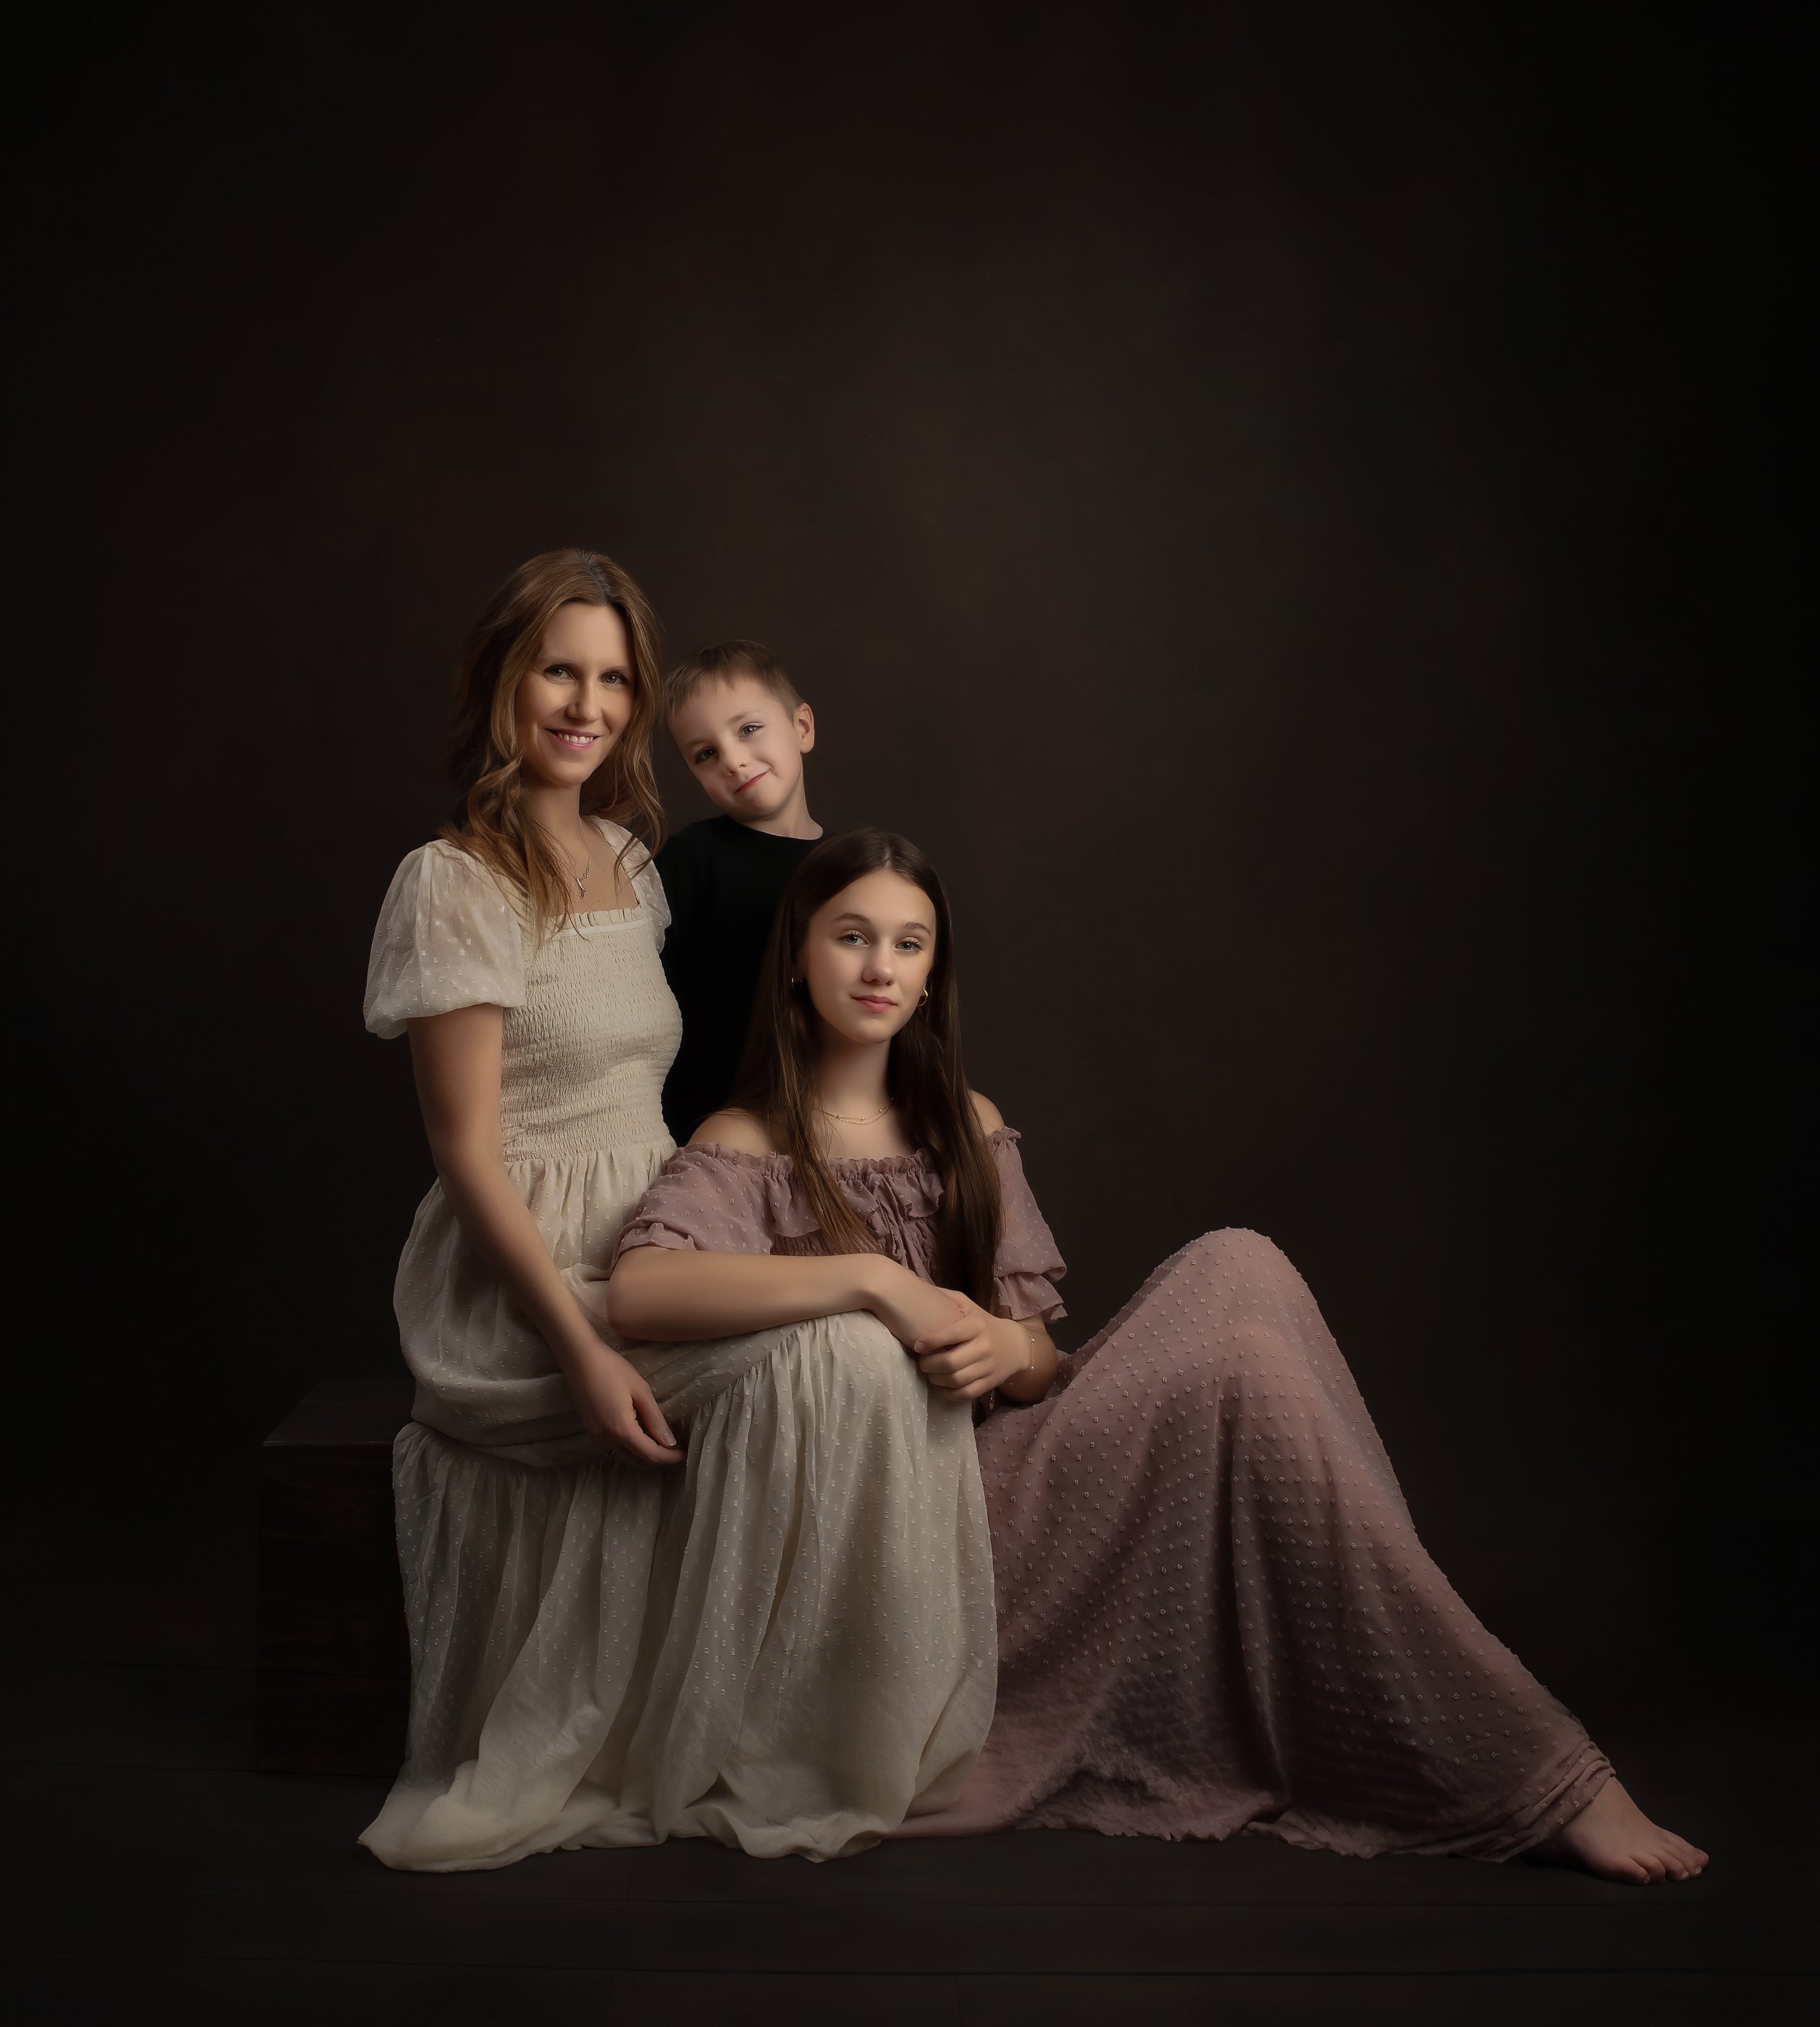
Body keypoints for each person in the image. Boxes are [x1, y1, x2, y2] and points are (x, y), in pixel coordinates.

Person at [607, 828, 1711, 1884]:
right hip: (903, 1525)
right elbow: (642, 1288)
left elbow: (1040, 1360)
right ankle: (1538, 1768)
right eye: (850, 936)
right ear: (799, 957)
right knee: (1241, 1365)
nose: (880, 966)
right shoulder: (744, 1139)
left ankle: (1454, 1695)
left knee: (1241, 1270)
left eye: (909, 942)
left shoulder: (967, 1126)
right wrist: (873, 1280)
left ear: (937, 974)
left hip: (1011, 1471)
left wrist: (1003, 1342)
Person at [358, 548, 697, 1870]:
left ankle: (803, 1720)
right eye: (562, 667)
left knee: (840, 1350)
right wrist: (581, 1345)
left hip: (656, 1230)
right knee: (809, 1353)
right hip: (526, 1270)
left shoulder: (625, 851)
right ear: (506, 678)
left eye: (615, 678)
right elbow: (469, 1156)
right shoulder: (453, 878)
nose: (588, 703)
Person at [655, 641, 823, 1143]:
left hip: (830, 1122)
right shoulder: (690, 862)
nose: (732, 761)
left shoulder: (851, 865)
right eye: (706, 754)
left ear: (802, 728)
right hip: (718, 1123)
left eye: (749, 730)